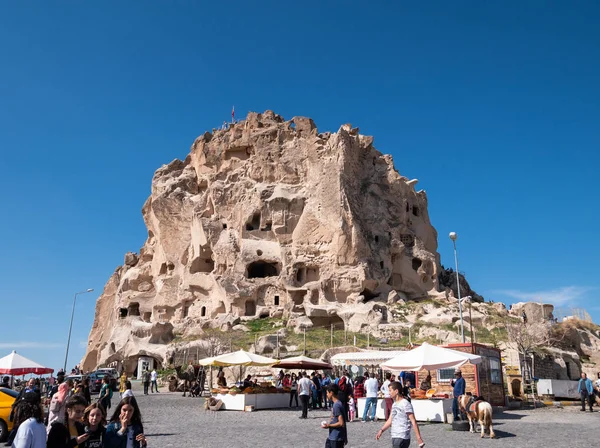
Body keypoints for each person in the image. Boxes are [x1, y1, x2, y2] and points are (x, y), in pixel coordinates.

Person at [376, 381, 425, 448]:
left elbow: (413, 421)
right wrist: (381, 430)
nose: (389, 393)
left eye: (390, 390)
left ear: (396, 391)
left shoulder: (405, 403)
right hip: (395, 435)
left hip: (402, 436)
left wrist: (419, 438)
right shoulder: (394, 404)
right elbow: (390, 420)